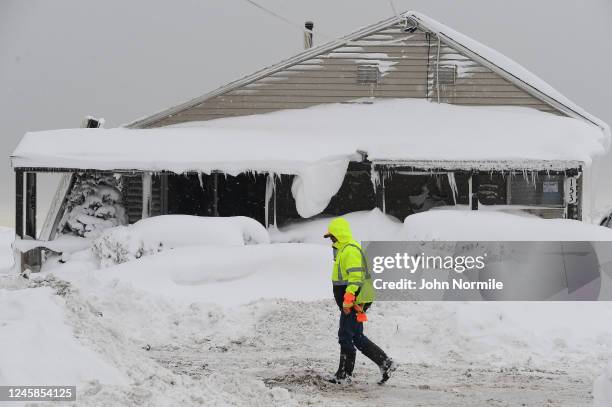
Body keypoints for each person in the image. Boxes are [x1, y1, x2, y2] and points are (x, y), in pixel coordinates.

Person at [324, 217, 397, 385]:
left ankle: (344, 375)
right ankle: (386, 363)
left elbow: (356, 278)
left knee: (345, 335)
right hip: (355, 299)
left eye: (332, 236)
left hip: (355, 299)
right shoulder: (343, 250)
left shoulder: (350, 250)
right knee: (356, 336)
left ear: (339, 235)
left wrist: (348, 300)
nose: (331, 240)